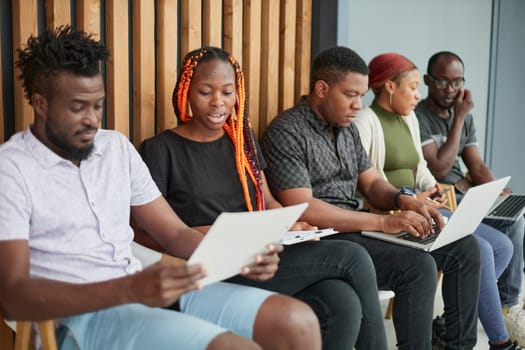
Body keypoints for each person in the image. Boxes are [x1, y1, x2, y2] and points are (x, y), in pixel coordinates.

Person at [0, 26, 323, 350]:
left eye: (97, 106)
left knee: (297, 322)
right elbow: (12, 297)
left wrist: (241, 257)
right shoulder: (11, 170)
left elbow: (174, 234)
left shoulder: (115, 148)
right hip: (79, 316)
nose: (92, 121)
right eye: (77, 108)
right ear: (40, 104)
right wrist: (130, 289)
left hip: (145, 290)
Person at [137, 46, 388, 350]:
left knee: (340, 299)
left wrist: (292, 225)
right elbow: (144, 234)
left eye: (227, 92)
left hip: (259, 255)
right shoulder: (159, 149)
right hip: (210, 265)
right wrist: (205, 234)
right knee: (352, 256)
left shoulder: (242, 143)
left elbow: (267, 201)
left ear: (237, 93)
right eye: (205, 92)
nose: (218, 102)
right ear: (187, 91)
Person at [261, 46, 482, 350]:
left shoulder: (347, 127)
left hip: (362, 224)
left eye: (361, 96)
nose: (357, 105)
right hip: (327, 237)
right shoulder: (288, 131)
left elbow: (373, 183)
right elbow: (304, 208)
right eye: (350, 95)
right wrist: (382, 222)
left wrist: (405, 199)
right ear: (322, 89)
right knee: (417, 267)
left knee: (464, 246)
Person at [354, 52, 519, 350]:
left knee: (502, 245)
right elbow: (364, 181)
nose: (418, 95)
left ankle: (450, 320)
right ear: (390, 87)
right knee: (478, 248)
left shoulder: (408, 119)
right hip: (396, 210)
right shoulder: (366, 121)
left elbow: (421, 168)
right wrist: (408, 198)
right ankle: (500, 342)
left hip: (427, 205)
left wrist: (434, 189)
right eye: (413, 86)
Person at [415, 51, 525, 346]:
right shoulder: (419, 116)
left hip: (465, 193)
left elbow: (475, 165)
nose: (451, 90)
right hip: (443, 197)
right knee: (489, 248)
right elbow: (438, 167)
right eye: (443, 82)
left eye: (457, 82)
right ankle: (467, 317)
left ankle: (506, 305)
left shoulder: (463, 115)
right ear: (428, 81)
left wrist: (494, 190)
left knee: (513, 219)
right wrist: (460, 118)